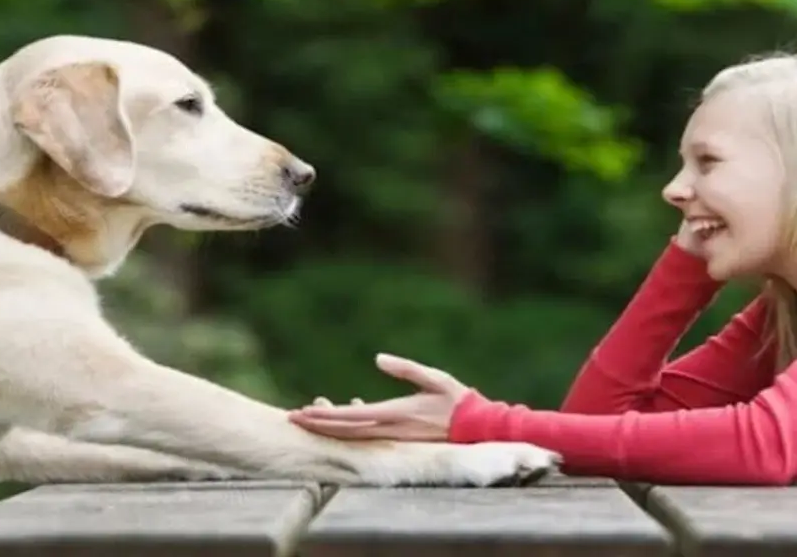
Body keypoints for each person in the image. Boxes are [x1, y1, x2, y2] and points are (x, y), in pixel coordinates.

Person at [287, 52, 797, 486]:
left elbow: (763, 447)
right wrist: (686, 266)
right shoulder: (780, 313)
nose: (674, 188)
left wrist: (475, 422)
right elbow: (598, 423)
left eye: (707, 162)